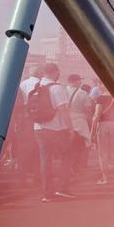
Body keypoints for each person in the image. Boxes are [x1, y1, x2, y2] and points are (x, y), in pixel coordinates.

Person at [33, 62, 76, 202]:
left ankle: (47, 193)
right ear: (55, 72)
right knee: (66, 157)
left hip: (39, 128)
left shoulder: (37, 86)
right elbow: (63, 110)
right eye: (58, 72)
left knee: (45, 161)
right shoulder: (57, 88)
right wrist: (71, 128)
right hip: (55, 128)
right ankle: (62, 188)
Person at [91, 92, 114, 184]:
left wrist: (92, 132)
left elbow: (97, 115)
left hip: (104, 124)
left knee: (103, 153)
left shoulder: (101, 98)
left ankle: (105, 178)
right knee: (113, 151)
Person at [66, 74, 94, 172]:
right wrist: (91, 120)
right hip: (80, 121)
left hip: (66, 121)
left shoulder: (63, 91)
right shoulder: (82, 93)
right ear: (76, 81)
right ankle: (79, 164)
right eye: (79, 80)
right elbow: (88, 109)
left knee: (68, 145)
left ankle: (68, 166)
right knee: (81, 144)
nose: (80, 82)